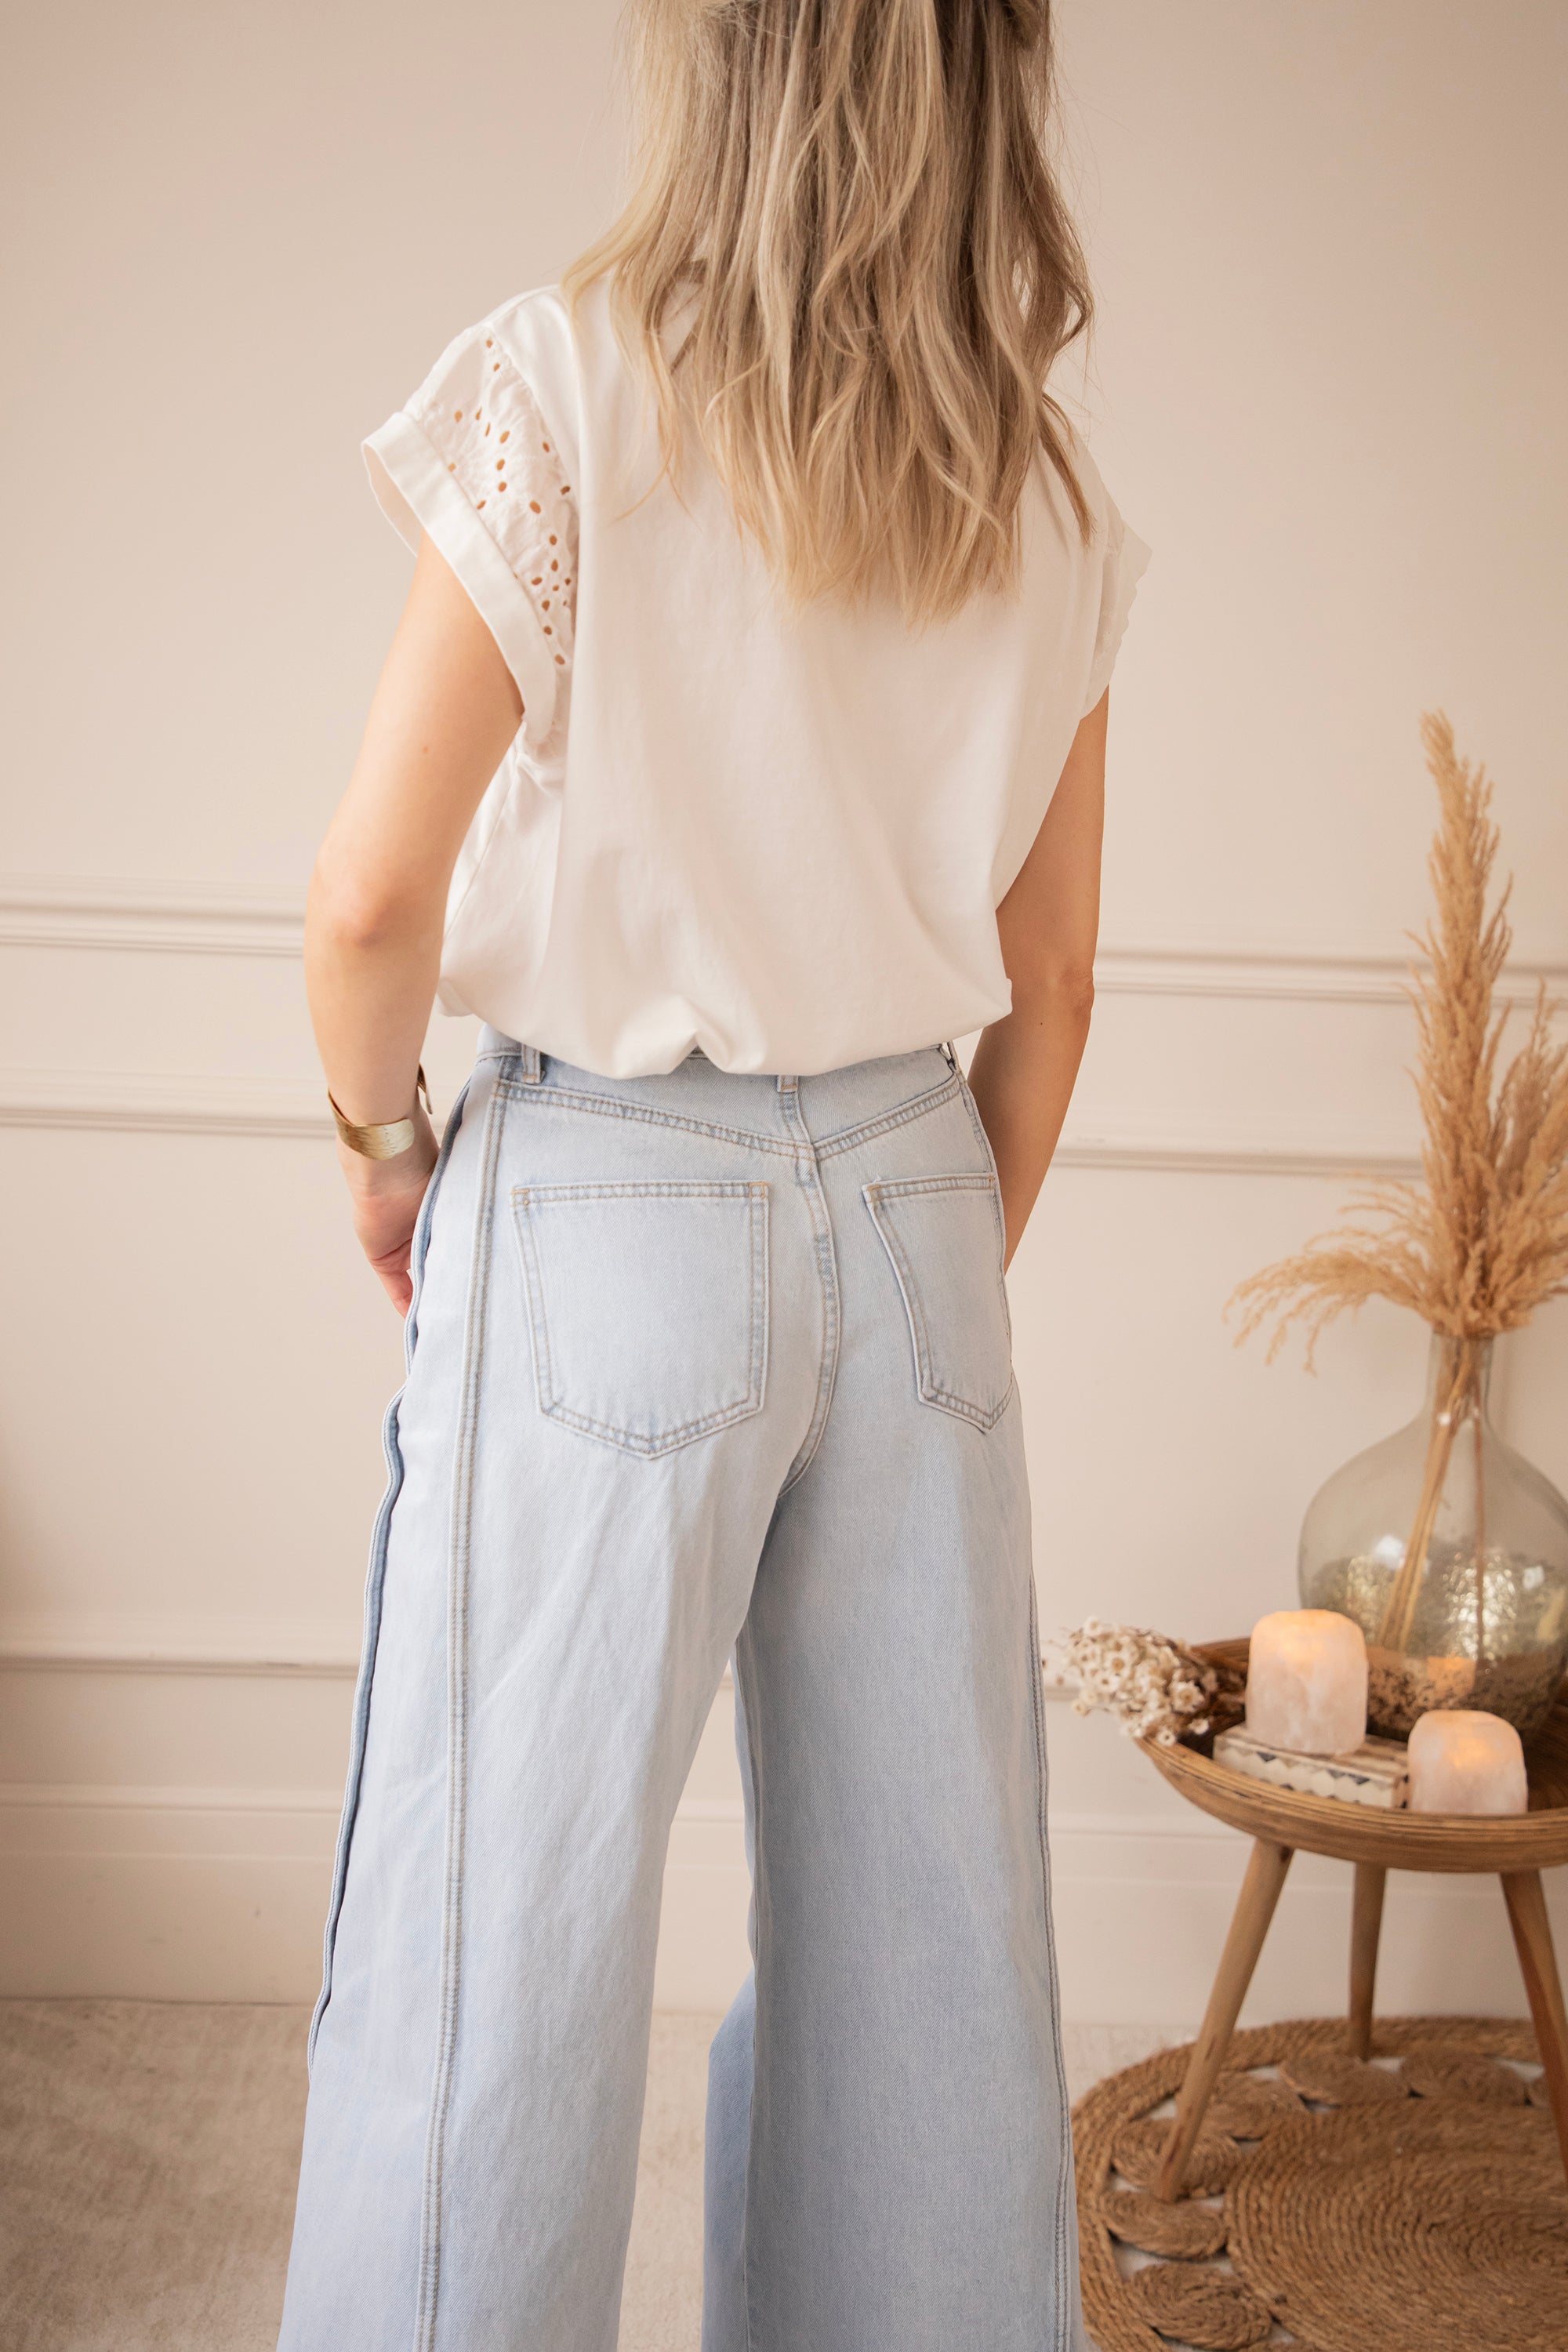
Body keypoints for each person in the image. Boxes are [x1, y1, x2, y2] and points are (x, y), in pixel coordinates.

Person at [278, 2, 1147, 2345]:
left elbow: (368, 899)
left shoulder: (567, 390)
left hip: (607, 1207)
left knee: (491, 1961)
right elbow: (1055, 985)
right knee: (934, 1965)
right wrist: (918, 1261)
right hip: (919, 1196)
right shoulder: (1044, 484)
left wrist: (384, 1152)